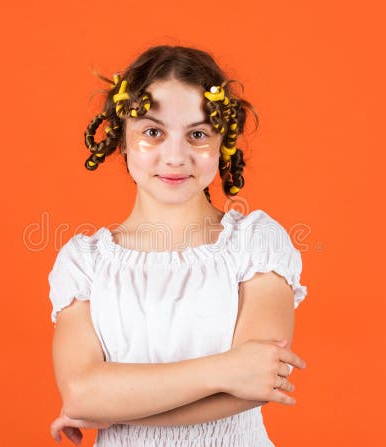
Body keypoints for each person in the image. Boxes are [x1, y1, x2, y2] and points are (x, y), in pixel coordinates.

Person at [47, 45, 309, 446]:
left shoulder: (256, 244)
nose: (175, 156)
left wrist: (110, 402)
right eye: (153, 132)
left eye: (197, 134)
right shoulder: (85, 264)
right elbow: (81, 393)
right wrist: (225, 370)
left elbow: (258, 380)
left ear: (222, 141)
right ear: (122, 140)